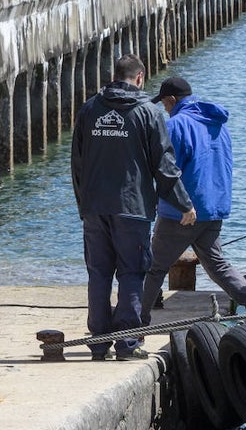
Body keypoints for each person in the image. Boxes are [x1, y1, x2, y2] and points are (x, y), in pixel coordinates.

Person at [71, 54, 195, 361]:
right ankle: (126, 343)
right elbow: (164, 167)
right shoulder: (148, 113)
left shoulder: (89, 109)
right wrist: (184, 204)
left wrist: (83, 205)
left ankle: (99, 342)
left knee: (98, 275)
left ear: (115, 76)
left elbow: (77, 164)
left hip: (95, 209)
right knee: (131, 274)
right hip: (133, 209)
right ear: (140, 78)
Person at [141, 77, 246, 324]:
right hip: (213, 208)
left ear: (171, 100)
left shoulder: (176, 125)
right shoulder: (218, 124)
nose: (166, 110)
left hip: (182, 211)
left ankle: (135, 321)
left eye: (166, 105)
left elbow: (168, 170)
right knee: (216, 265)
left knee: (153, 266)